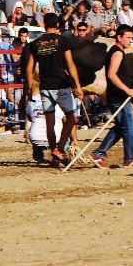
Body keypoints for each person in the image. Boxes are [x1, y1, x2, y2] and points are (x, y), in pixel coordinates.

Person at [25, 13, 84, 167]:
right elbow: (70, 64)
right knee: (71, 118)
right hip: (61, 84)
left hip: (45, 85)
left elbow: (29, 69)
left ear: (44, 24)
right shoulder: (63, 40)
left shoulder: (36, 43)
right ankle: (59, 149)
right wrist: (77, 86)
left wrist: (30, 88)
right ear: (58, 25)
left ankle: (54, 159)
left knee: (50, 122)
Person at [90, 25, 133, 169]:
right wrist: (127, 90)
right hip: (119, 97)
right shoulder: (117, 53)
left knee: (121, 128)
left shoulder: (119, 51)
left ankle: (98, 154)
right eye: (128, 37)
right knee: (130, 128)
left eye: (132, 38)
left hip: (118, 96)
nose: (130, 40)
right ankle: (129, 159)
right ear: (119, 37)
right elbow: (111, 74)